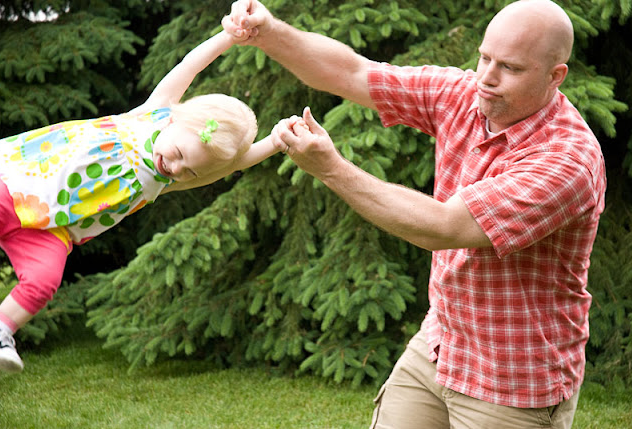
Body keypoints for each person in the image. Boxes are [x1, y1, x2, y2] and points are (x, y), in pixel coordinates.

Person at [223, 0, 606, 428]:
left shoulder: (566, 161)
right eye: (484, 58)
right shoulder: (463, 95)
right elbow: (352, 72)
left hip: (512, 378)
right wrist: (268, 31)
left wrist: (331, 168)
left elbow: (444, 227)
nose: (486, 77)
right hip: (442, 343)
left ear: (556, 76)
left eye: (510, 68)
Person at [0, 29, 278, 373]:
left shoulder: (162, 181)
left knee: (44, 280)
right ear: (174, 119)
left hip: (54, 231)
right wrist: (228, 37)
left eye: (189, 171)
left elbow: (230, 166)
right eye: (178, 153)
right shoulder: (151, 114)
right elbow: (189, 66)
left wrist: (274, 143)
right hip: (20, 186)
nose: (175, 167)